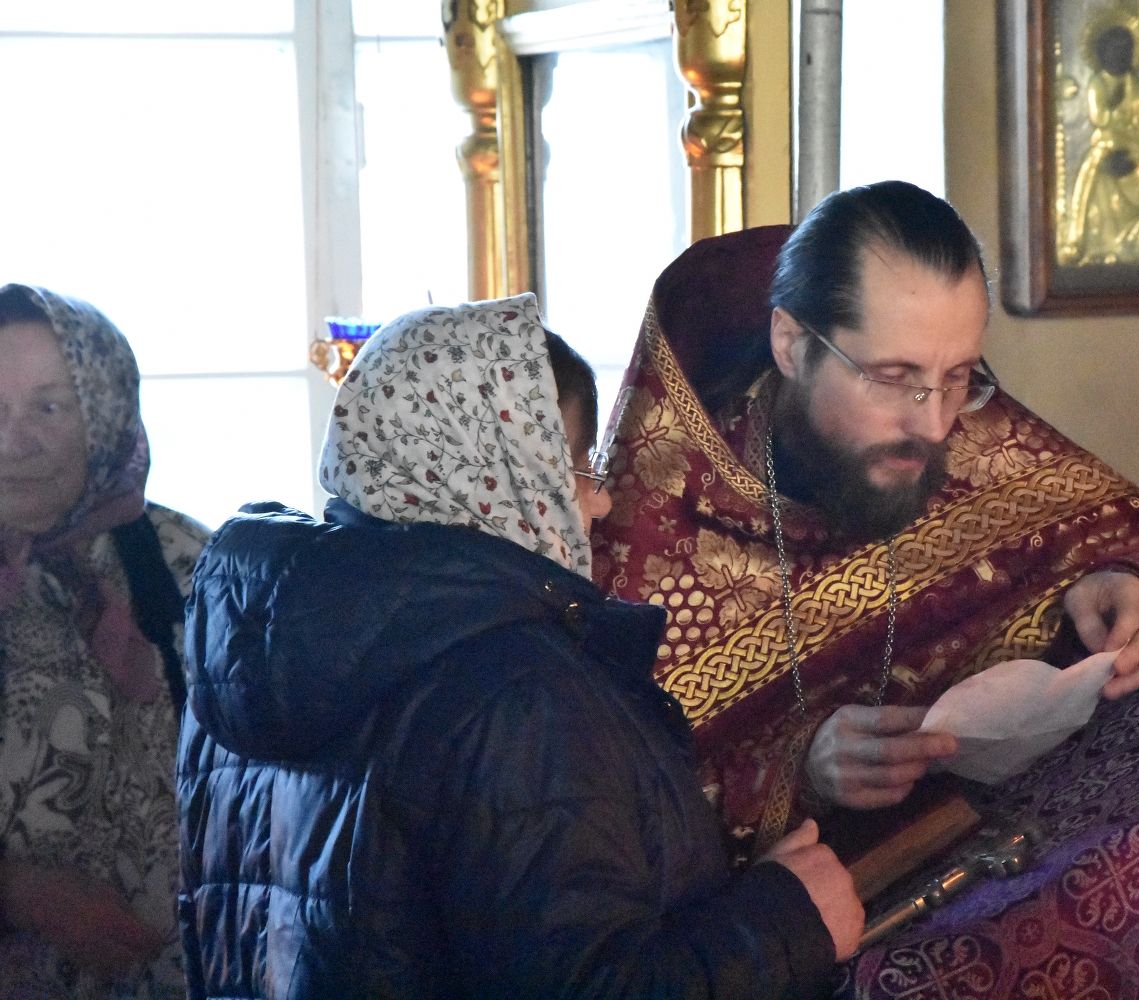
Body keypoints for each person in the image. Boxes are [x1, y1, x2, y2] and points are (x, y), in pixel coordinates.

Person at [590, 182, 1139, 996]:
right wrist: (799, 770)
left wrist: (1138, 588)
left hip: (1020, 857)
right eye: (894, 380)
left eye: (957, 377)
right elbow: (617, 822)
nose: (934, 423)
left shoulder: (969, 433)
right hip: (836, 945)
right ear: (793, 344)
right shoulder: (664, 527)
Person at [175, 295, 863, 999]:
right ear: (491, 472)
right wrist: (785, 924)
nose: (598, 503)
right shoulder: (516, 691)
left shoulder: (242, 665)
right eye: (574, 467)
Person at [0, 284, 208, 1000]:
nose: (13, 441)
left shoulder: (192, 567)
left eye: (50, 408)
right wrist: (16, 890)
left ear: (107, 411)